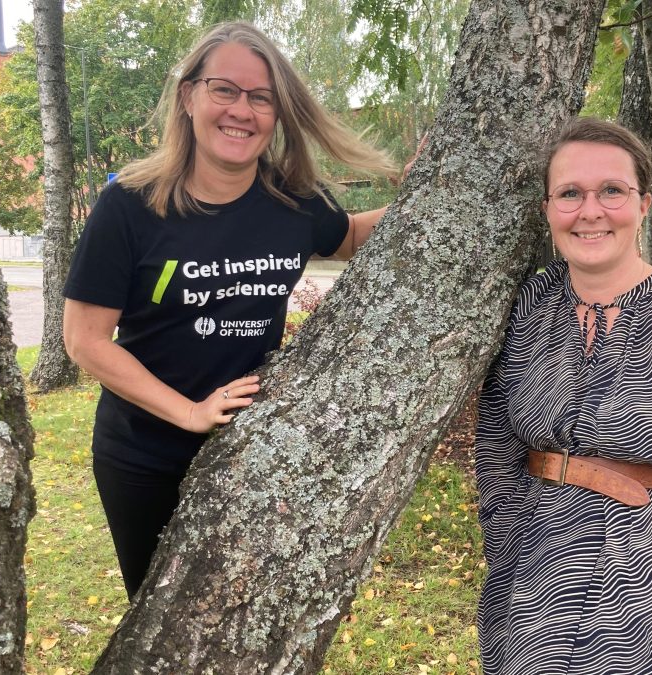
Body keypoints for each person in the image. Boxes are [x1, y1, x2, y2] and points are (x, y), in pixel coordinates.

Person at [62, 21, 399, 600]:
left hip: (248, 450)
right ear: (189, 95)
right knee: (159, 613)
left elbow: (347, 237)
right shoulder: (130, 205)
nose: (242, 110)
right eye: (225, 89)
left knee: (240, 614)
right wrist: (190, 412)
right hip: (143, 454)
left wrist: (429, 193)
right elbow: (85, 340)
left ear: (276, 115)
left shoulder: (294, 204)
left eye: (261, 97)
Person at [475, 117, 652, 674]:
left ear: (643, 203)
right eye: (570, 193)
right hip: (539, 580)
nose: (590, 210)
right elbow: (497, 442)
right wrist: (505, 547)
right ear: (547, 210)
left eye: (611, 190)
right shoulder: (525, 308)